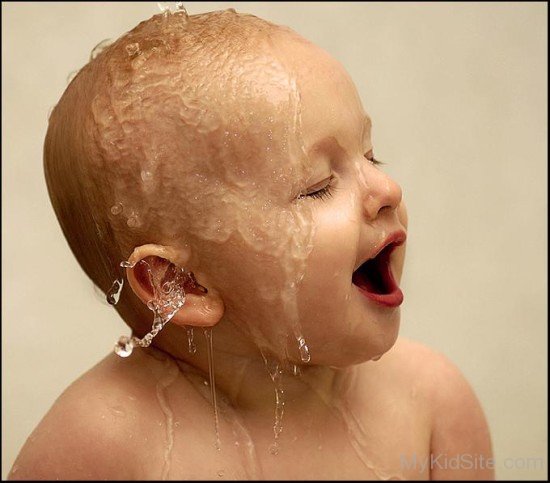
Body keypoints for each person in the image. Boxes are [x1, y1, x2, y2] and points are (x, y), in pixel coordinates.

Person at [9, 7, 493, 480]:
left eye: (371, 156)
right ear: (184, 284)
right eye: (318, 185)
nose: (387, 191)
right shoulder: (102, 446)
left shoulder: (431, 404)